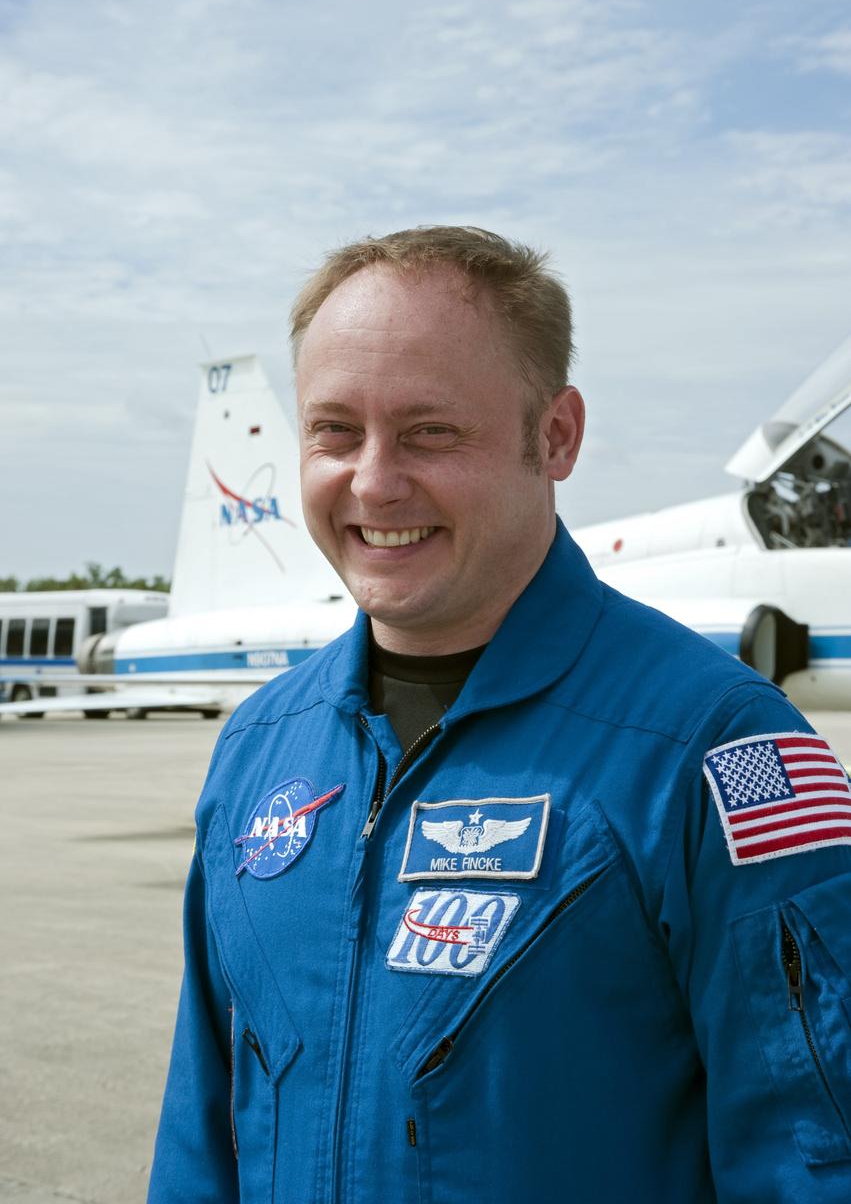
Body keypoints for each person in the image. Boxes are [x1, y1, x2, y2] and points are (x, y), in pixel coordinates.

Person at [148, 227, 851, 1203]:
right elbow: (201, 1133)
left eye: (430, 430)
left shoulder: (715, 746)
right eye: (334, 430)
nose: (373, 480)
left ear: (554, 434)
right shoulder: (259, 751)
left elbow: (813, 1152)